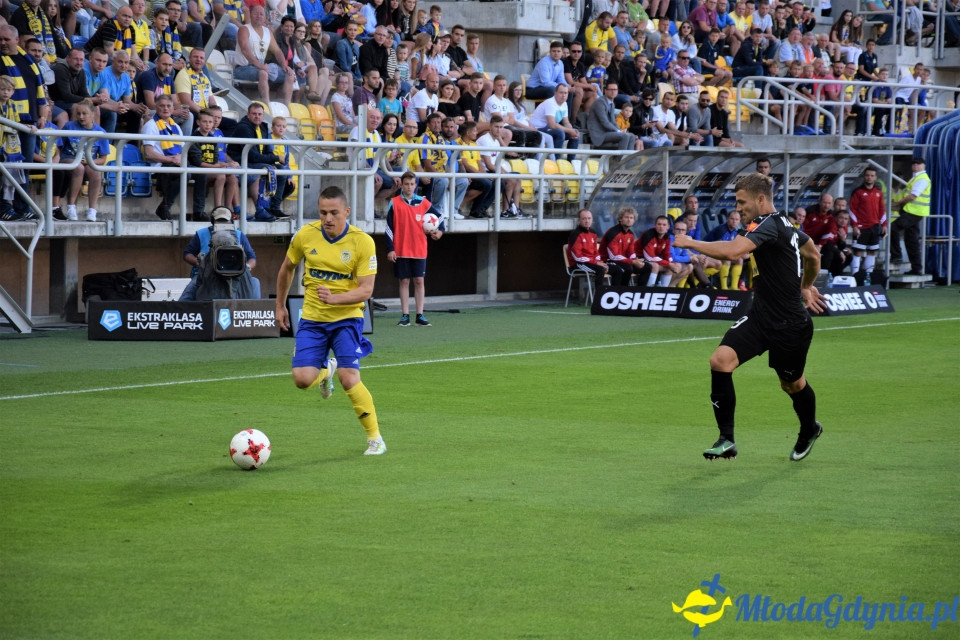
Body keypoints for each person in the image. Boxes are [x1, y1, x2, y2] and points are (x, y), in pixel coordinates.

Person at [672, 172, 826, 462]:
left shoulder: (770, 225)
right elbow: (813, 255)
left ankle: (809, 428)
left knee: (791, 384)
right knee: (720, 361)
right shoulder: (784, 224)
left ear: (760, 199)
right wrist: (805, 285)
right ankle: (726, 439)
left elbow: (733, 253)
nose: (738, 207)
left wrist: (690, 242)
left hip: (790, 325)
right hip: (759, 317)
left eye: (742, 202)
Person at [275, 185, 386, 456]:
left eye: (334, 212)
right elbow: (287, 268)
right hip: (312, 319)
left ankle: (375, 439)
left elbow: (366, 290)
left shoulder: (362, 242)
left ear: (346, 211)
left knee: (350, 379)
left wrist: (335, 299)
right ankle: (326, 371)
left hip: (347, 318)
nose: (328, 218)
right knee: (302, 380)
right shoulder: (306, 235)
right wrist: (279, 305)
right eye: (323, 212)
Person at [385, 171, 443, 327]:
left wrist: (440, 232)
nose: (409, 187)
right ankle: (405, 315)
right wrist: (390, 249)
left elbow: (440, 218)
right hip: (401, 248)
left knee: (419, 281)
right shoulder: (394, 202)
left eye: (412, 184)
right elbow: (389, 228)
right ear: (401, 185)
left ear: (416, 185)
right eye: (406, 184)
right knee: (404, 281)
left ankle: (420, 315)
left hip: (419, 248)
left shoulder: (424, 203)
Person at [179, 206, 259, 301]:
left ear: (231, 221)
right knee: (186, 296)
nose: (222, 223)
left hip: (236, 274)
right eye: (219, 220)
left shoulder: (239, 235)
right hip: (206, 274)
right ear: (213, 221)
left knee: (254, 283)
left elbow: (251, 257)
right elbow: (187, 253)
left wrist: (247, 266)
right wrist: (199, 262)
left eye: (225, 220)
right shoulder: (201, 234)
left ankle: (254, 313)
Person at [890, 157, 930, 276]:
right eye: (913, 164)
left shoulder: (922, 179)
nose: (915, 165)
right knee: (911, 240)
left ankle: (896, 256)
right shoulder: (917, 177)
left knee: (893, 228)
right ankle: (916, 268)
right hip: (912, 211)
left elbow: (913, 196)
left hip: (914, 212)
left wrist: (898, 203)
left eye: (918, 164)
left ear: (924, 165)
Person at [848, 167, 886, 278]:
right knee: (858, 252)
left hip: (874, 227)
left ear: (875, 177)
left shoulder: (878, 192)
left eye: (872, 175)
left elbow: (882, 209)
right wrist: (854, 226)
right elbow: (852, 210)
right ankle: (854, 277)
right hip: (861, 228)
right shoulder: (858, 192)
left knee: (872, 252)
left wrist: (884, 224)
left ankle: (868, 277)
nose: (869, 177)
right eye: (867, 175)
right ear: (864, 177)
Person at [530, 85, 580, 160]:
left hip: (548, 129)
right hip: (538, 129)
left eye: (565, 93)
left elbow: (566, 122)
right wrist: (569, 131)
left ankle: (571, 162)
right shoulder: (550, 103)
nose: (563, 95)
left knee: (576, 135)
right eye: (561, 93)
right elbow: (552, 125)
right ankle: (556, 161)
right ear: (555, 93)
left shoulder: (564, 104)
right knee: (560, 133)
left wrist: (572, 131)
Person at [599, 206, 645, 286]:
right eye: (626, 217)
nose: (629, 220)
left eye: (631, 218)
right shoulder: (613, 233)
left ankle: (642, 292)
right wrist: (633, 262)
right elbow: (614, 256)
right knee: (627, 268)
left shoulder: (630, 234)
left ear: (634, 220)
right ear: (620, 219)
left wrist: (635, 260)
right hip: (608, 260)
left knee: (647, 267)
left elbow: (631, 252)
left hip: (622, 261)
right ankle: (621, 292)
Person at [586, 80, 637, 151]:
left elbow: (613, 122)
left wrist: (620, 130)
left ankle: (628, 160)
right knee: (625, 136)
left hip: (608, 133)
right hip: (600, 135)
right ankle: (621, 161)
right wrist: (618, 131)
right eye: (611, 90)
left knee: (631, 136)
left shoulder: (612, 103)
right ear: (605, 91)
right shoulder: (600, 102)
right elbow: (604, 122)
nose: (613, 91)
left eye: (615, 90)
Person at [567, 209, 608, 292]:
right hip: (578, 264)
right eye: (584, 219)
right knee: (600, 269)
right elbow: (577, 257)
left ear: (592, 220)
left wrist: (599, 262)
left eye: (589, 218)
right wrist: (597, 263)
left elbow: (596, 252)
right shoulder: (576, 234)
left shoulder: (593, 233)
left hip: (591, 263)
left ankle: (617, 295)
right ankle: (599, 297)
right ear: (579, 220)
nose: (587, 221)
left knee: (614, 268)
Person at [705, 210, 748, 289]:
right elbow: (720, 248)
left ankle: (734, 287)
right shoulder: (722, 230)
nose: (734, 221)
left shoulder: (734, 231)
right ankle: (724, 287)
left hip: (720, 254)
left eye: (736, 219)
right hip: (708, 252)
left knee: (739, 260)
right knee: (727, 259)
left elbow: (734, 247)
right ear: (727, 219)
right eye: (732, 219)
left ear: (739, 221)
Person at [637, 215, 681, 287]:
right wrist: (669, 264)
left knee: (669, 268)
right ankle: (650, 290)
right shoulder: (648, 235)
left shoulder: (667, 237)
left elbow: (667, 255)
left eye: (664, 225)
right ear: (655, 225)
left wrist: (673, 264)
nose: (661, 227)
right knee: (655, 266)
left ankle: (664, 290)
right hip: (638, 258)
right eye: (659, 224)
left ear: (668, 226)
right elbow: (650, 257)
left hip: (648, 259)